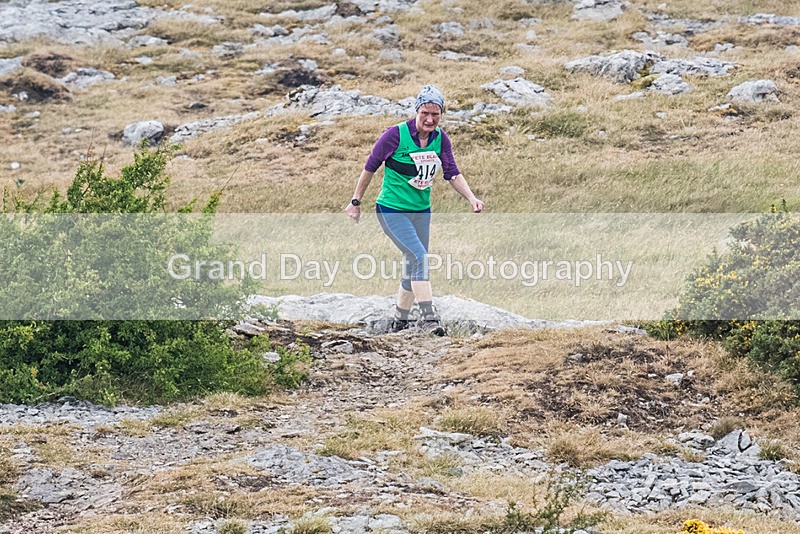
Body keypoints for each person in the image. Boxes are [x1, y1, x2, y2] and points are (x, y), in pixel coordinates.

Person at [345, 84, 484, 335]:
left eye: (435, 114)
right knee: (419, 257)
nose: (430, 119)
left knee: (414, 262)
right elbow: (370, 167)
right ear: (416, 111)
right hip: (391, 210)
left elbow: (452, 173)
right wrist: (356, 202)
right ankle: (429, 317)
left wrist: (471, 198)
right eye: (425, 113)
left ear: (441, 114)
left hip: (421, 211)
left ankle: (401, 318)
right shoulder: (395, 135)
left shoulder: (441, 138)